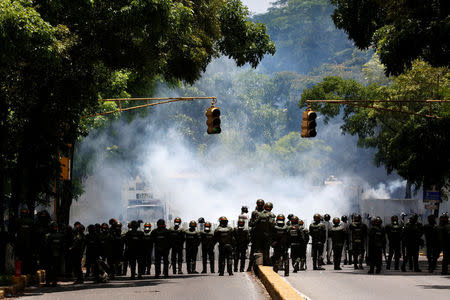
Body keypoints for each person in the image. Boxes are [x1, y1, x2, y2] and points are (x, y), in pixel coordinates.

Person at [44, 222, 65, 287]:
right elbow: (62, 246)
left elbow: (45, 245)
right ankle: (54, 282)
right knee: (55, 268)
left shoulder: (47, 235)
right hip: (57, 254)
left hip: (49, 254)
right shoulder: (60, 235)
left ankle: (48, 282)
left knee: (48, 268)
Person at [247, 199, 265, 271]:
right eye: (259, 204)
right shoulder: (254, 213)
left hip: (264, 234)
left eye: (261, 204)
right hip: (256, 234)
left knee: (264, 251)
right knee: (253, 251)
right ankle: (250, 266)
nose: (260, 205)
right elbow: (251, 223)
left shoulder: (266, 212)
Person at [15, 208, 34, 274]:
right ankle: (25, 272)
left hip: (22, 244)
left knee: (21, 259)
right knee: (26, 259)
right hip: (26, 244)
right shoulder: (30, 221)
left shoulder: (18, 221)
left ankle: (20, 272)